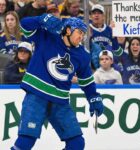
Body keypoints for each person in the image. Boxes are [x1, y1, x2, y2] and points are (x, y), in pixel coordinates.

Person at [10, 14, 104, 150]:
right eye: (79, 32)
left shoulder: (83, 55)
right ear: (68, 30)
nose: (81, 37)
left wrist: (93, 97)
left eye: (84, 34)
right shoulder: (46, 36)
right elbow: (24, 24)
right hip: (37, 96)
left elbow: (87, 81)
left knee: (77, 144)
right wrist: (41, 18)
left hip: (60, 102)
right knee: (25, 141)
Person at [89, 4, 120, 71]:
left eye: (99, 13)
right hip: (91, 68)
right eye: (94, 13)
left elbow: (118, 52)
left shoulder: (109, 29)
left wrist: (115, 38)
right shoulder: (87, 28)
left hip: (108, 66)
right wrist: (87, 38)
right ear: (91, 16)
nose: (96, 15)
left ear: (103, 16)